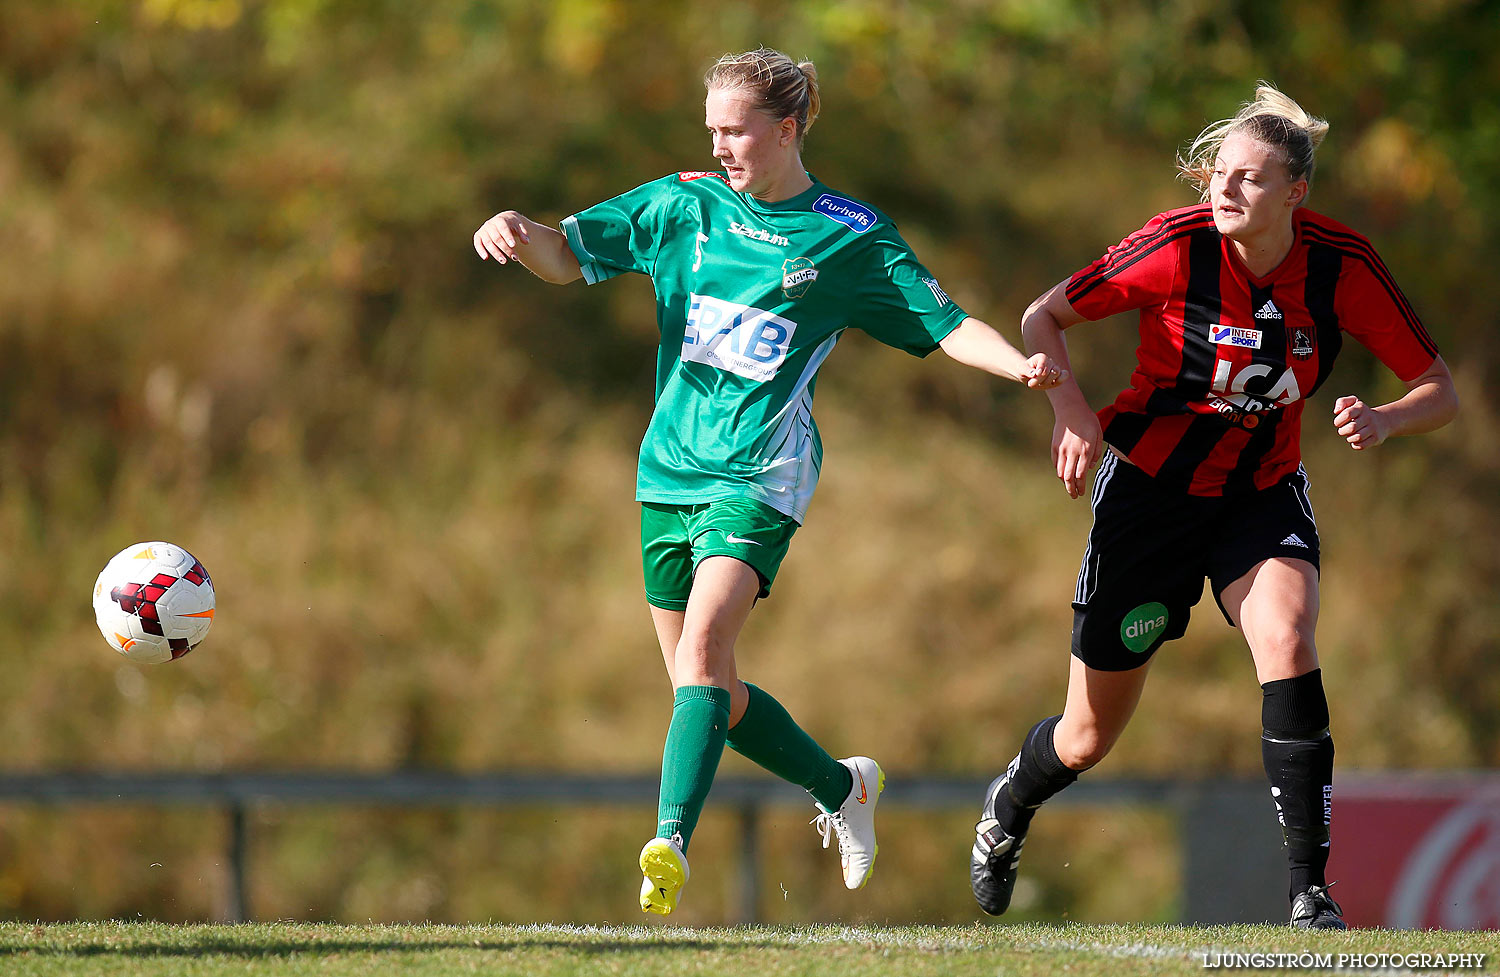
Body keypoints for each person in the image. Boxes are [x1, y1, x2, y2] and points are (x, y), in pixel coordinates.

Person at [474, 47, 1066, 916]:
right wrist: (520, 233)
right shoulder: (683, 204)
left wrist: (1018, 368)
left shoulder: (848, 234)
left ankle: (669, 840)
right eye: (710, 127)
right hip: (666, 471)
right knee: (702, 687)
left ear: (786, 129)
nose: (717, 144)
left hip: (761, 473)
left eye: (734, 128)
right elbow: (568, 256)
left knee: (707, 649)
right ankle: (842, 786)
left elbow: (944, 324)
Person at [969, 82, 1458, 929]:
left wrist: (1383, 417)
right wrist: (1073, 411)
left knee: (1288, 634)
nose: (1226, 191)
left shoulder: (1342, 265)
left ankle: (1310, 891)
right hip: (1150, 495)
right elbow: (1042, 315)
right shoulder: (1175, 245)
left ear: (1296, 193)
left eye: (1251, 179)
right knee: (1087, 736)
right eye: (1219, 174)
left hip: (1259, 495)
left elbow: (1439, 389)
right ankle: (1009, 805)